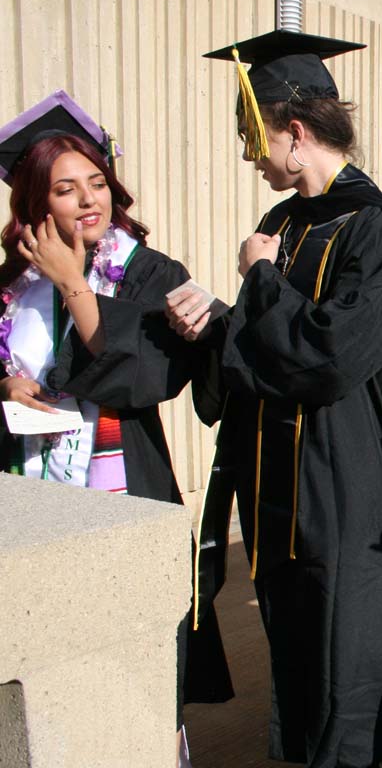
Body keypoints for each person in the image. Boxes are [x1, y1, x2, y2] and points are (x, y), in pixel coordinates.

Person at [176, 30, 382, 768]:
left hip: (342, 501)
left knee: (343, 689)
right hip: (279, 508)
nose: (247, 154)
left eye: (252, 135)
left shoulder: (378, 231)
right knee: (299, 690)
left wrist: (259, 284)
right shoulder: (284, 224)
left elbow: (329, 358)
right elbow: (262, 353)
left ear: (296, 132)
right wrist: (215, 323)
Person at [0, 90, 232, 767]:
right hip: (33, 503)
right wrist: (6, 384)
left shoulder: (150, 275)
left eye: (97, 182)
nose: (88, 200)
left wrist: (74, 281)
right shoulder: (13, 284)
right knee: (42, 676)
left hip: (122, 497)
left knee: (137, 684)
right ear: (37, 203)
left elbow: (147, 375)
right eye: (67, 190)